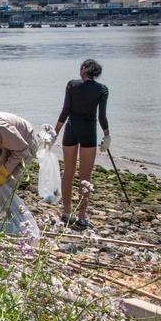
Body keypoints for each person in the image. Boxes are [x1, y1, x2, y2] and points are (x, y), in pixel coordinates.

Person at [53, 59, 110, 229]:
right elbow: (101, 117)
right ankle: (82, 216)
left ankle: (67, 212)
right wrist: (107, 136)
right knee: (85, 176)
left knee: (68, 173)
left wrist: (55, 132)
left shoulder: (72, 85)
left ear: (83, 69)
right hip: (89, 132)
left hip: (71, 130)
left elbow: (66, 110)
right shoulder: (102, 89)